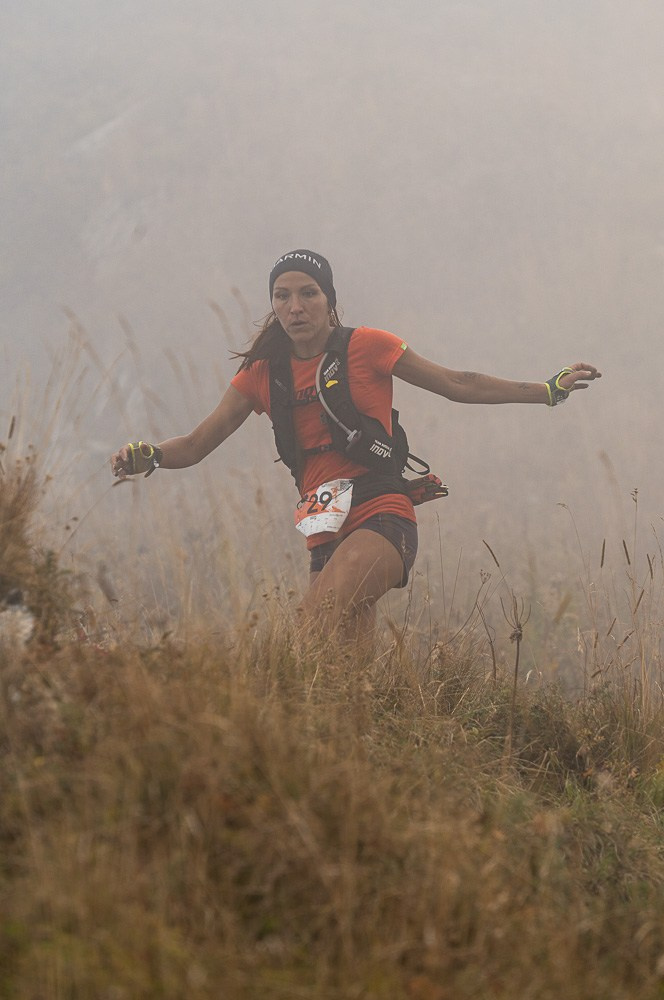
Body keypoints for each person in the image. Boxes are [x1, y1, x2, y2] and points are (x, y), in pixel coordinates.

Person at [111, 249, 601, 636]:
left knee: (309, 629)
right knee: (338, 688)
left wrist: (547, 391)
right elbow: (196, 444)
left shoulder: (367, 346)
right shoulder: (262, 377)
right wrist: (150, 456)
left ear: (330, 300)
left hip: (381, 515)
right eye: (282, 296)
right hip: (322, 535)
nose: (295, 307)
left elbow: (459, 382)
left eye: (308, 293)